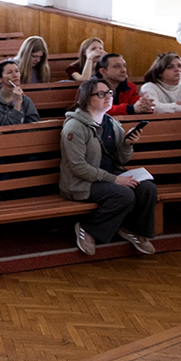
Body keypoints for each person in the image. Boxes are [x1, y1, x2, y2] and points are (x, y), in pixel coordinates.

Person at [60, 79, 158, 256]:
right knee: (123, 194)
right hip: (80, 182)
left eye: (109, 93)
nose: (107, 97)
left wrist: (127, 144)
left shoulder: (111, 123)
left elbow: (120, 159)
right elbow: (78, 167)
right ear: (86, 99)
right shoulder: (74, 126)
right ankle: (87, 228)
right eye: (101, 94)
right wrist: (115, 179)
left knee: (147, 188)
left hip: (108, 176)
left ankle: (133, 230)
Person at [0, 59, 41, 126]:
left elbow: (35, 125)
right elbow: (7, 128)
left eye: (17, 71)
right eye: (9, 72)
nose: (15, 75)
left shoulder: (25, 99)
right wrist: (17, 103)